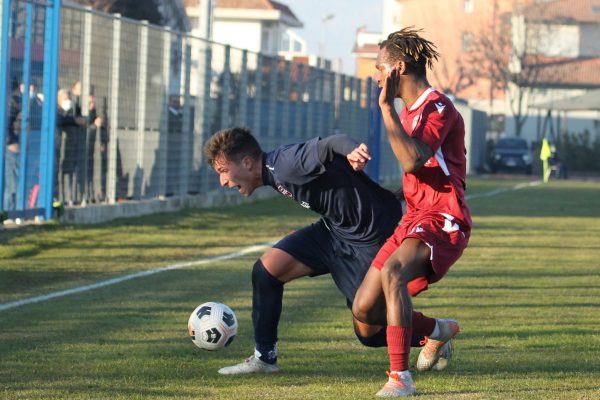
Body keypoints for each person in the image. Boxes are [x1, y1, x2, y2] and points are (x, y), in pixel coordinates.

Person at [203, 127, 407, 375]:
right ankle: (264, 358)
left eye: (223, 172)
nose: (222, 181)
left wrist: (352, 149)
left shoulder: (286, 163)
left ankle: (435, 332)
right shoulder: (273, 173)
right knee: (266, 271)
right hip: (333, 232)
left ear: (246, 162)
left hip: (369, 240)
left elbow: (332, 143)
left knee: (370, 332)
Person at [350, 27, 472, 397]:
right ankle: (438, 330)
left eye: (378, 67)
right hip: (414, 217)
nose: (374, 75)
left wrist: (385, 108)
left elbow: (413, 160)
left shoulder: (438, 107)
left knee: (394, 272)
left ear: (397, 68)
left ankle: (400, 378)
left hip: (444, 217)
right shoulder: (409, 112)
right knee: (364, 314)